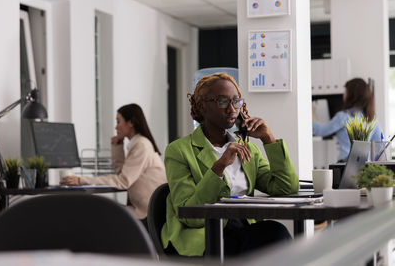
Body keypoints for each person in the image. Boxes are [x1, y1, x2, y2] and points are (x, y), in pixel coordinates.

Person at [160, 73, 299, 257]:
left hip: (241, 230)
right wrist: (219, 167)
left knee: (275, 232)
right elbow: (189, 216)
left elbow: (286, 188)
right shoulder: (179, 150)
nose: (232, 109)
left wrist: (268, 139)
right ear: (202, 106)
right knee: (274, 238)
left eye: (236, 101)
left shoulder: (246, 148)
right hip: (203, 237)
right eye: (223, 101)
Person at [60, 104, 167, 228]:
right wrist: (117, 147)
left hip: (148, 212)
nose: (116, 127)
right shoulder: (138, 143)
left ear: (131, 122)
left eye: (118, 121)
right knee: (98, 212)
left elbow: (123, 181)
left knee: (96, 213)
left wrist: (82, 180)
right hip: (145, 208)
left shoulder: (141, 145)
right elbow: (122, 174)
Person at [312, 78, 383, 162]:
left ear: (351, 95)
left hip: (345, 164)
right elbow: (379, 148)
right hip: (365, 166)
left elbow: (320, 131)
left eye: (345, 91)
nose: (344, 94)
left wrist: (311, 113)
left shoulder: (343, 117)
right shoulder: (372, 119)